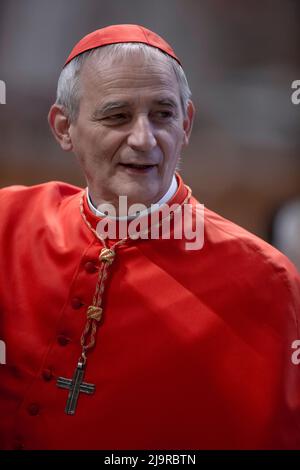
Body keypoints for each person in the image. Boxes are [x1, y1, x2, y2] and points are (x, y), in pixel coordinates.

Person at [0, 24, 299, 451]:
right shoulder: (9, 223)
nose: (144, 139)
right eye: (117, 116)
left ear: (187, 123)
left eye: (163, 114)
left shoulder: (263, 279)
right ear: (64, 128)